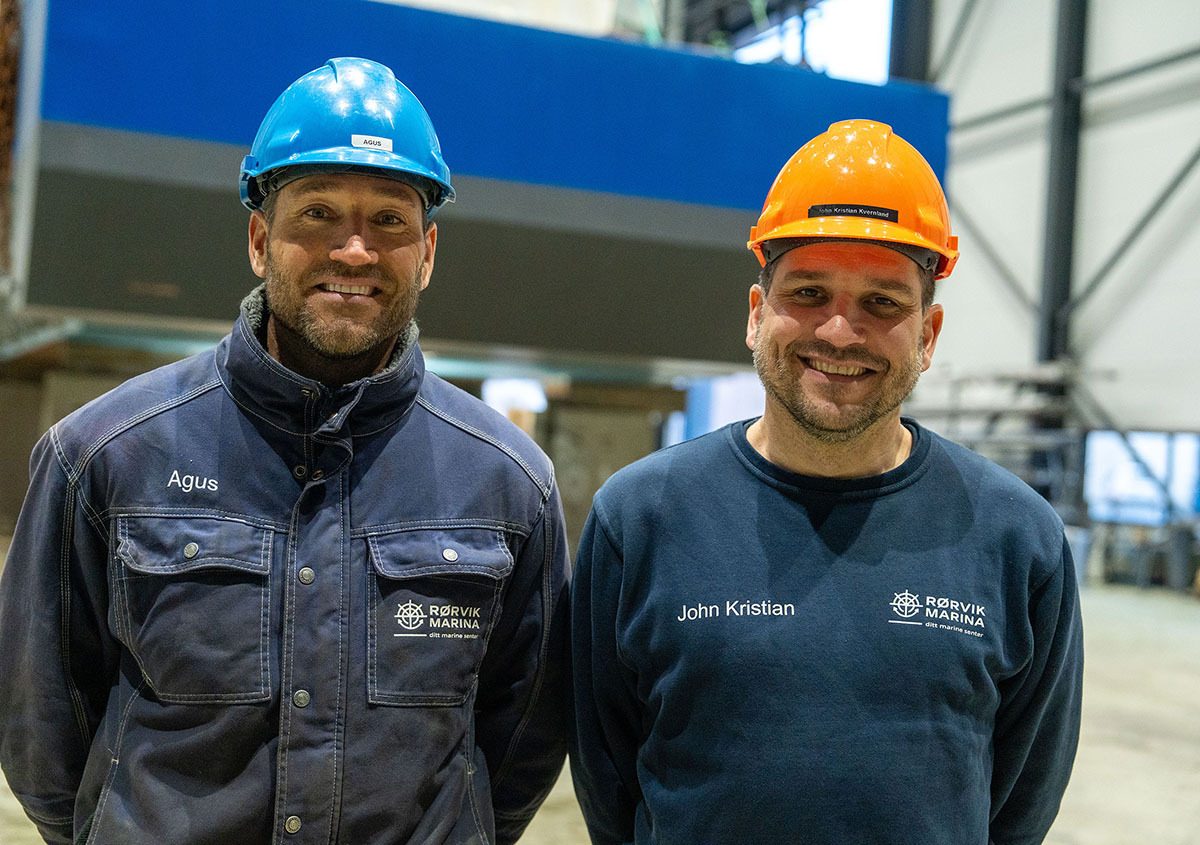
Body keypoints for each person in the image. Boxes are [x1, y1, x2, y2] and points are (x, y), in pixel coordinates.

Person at [0, 57, 569, 845]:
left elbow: (520, 741)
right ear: (261, 240)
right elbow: (41, 729)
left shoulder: (510, 484)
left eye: (390, 221)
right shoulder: (103, 454)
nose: (355, 251)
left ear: (428, 251)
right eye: (317, 214)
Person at [569, 119, 1083, 844]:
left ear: (929, 335)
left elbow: (1020, 798)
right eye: (809, 292)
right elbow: (607, 773)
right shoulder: (642, 517)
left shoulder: (1017, 538)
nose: (840, 332)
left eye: (882, 303)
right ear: (756, 316)